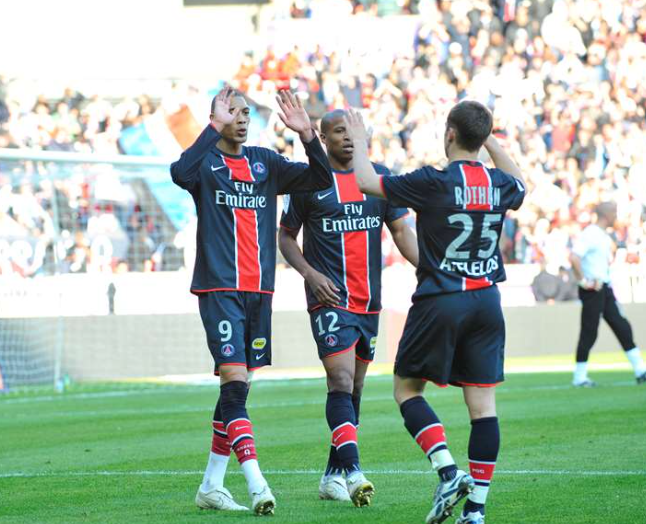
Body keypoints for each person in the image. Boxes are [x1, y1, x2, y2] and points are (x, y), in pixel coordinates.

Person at [345, 101, 527, 524]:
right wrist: (490, 140)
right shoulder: (499, 183)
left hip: (441, 299)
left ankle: (447, 471)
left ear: (449, 134)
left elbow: (367, 182)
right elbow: (519, 182)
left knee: (407, 390)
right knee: (483, 408)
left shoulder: (434, 180)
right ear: (482, 138)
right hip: (487, 300)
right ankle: (475, 511)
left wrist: (358, 140)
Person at [170, 87, 333, 515]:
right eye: (232, 112)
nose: (240, 119)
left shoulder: (266, 163)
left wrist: (307, 135)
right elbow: (179, 172)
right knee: (235, 382)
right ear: (217, 117)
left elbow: (321, 179)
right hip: (219, 288)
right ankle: (257, 483)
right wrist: (213, 126)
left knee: (236, 390)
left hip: (260, 292)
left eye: (244, 113)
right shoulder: (206, 163)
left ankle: (211, 485)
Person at [278, 110, 419, 507]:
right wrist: (310, 274)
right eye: (338, 131)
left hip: (369, 301)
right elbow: (286, 237)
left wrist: (430, 269)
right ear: (323, 139)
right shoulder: (309, 182)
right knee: (339, 380)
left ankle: (331, 475)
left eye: (352, 130)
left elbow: (401, 231)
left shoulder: (378, 178)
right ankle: (354, 472)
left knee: (354, 388)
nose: (347, 137)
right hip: (329, 298)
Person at [569, 202, 646, 387]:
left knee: (622, 326)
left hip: (604, 287)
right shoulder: (591, 233)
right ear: (607, 214)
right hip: (592, 289)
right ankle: (579, 377)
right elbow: (574, 257)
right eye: (614, 213)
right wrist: (583, 281)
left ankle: (640, 370)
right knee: (589, 332)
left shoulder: (602, 235)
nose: (616, 217)